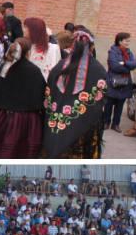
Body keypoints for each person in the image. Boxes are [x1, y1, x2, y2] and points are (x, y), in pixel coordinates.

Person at [0, 38, 46, 158]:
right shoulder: (33, 71)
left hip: (0, 116)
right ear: (28, 52)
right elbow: (40, 97)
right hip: (24, 119)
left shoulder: (4, 68)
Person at [42, 29, 107, 158]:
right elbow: (100, 98)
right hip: (84, 125)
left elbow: (49, 92)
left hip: (57, 122)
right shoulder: (98, 69)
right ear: (91, 47)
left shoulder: (60, 66)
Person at [104, 32, 136, 133]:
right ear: (120, 41)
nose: (128, 43)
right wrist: (127, 68)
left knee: (120, 104)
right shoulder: (113, 51)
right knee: (108, 104)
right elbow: (114, 66)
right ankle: (106, 122)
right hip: (112, 81)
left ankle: (116, 124)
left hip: (125, 83)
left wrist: (125, 63)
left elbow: (134, 64)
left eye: (129, 41)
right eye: (126, 41)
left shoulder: (129, 52)